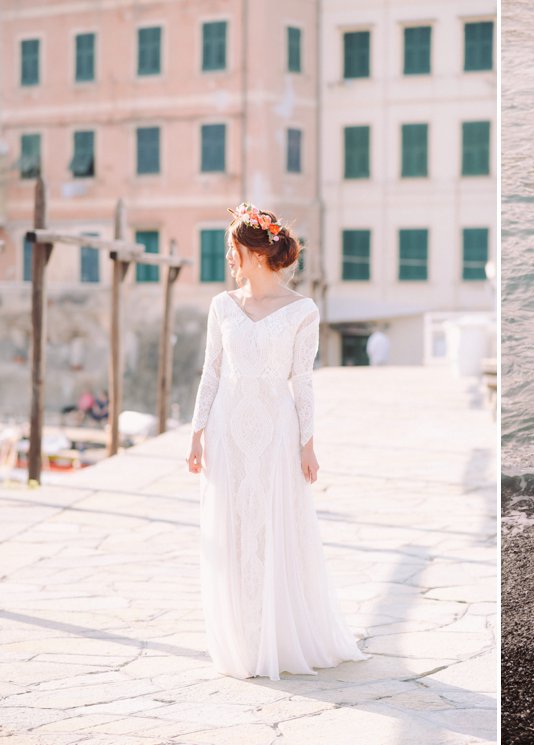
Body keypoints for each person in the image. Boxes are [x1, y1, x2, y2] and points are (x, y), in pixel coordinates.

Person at [185, 202, 368, 679]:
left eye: (233, 249)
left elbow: (302, 381)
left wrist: (308, 443)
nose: (230, 258)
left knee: (274, 525)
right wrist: (196, 434)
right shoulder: (222, 305)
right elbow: (211, 373)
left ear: (254, 252)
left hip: (276, 430)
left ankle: (280, 636)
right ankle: (244, 641)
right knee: (233, 529)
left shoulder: (303, 311)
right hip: (227, 430)